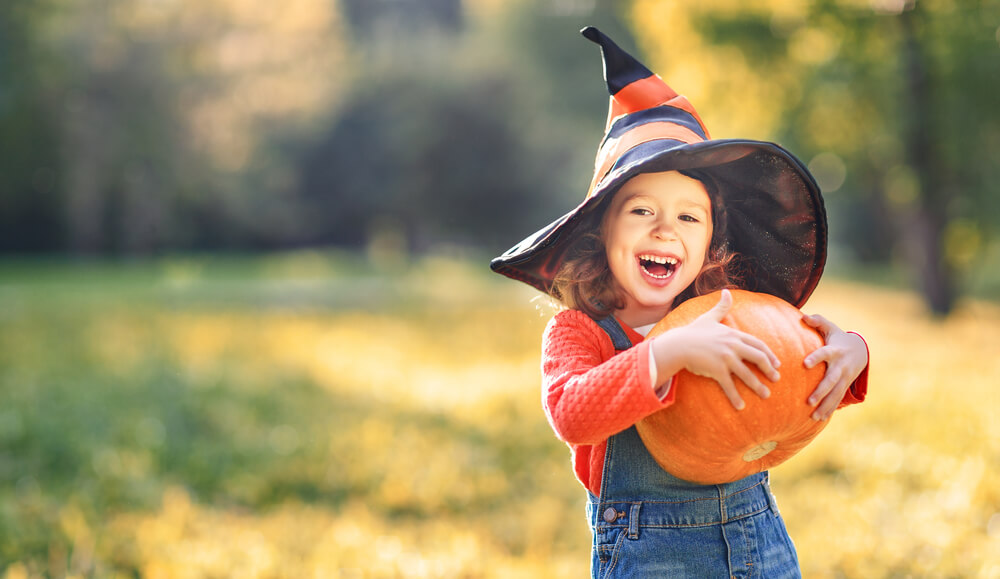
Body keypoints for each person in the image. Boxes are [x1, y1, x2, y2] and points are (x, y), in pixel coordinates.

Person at [490, 27, 870, 578]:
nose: (665, 229)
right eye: (642, 210)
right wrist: (666, 354)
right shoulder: (580, 331)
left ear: (711, 240)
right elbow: (571, 415)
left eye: (688, 216)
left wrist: (850, 352)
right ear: (602, 231)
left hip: (757, 539)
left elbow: (790, 370)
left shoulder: (726, 306)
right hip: (649, 554)